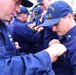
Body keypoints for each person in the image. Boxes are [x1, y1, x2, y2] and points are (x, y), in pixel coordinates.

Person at [40, 1, 76, 75]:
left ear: (69, 17)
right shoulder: (63, 36)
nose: (53, 29)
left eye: (56, 24)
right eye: (52, 25)